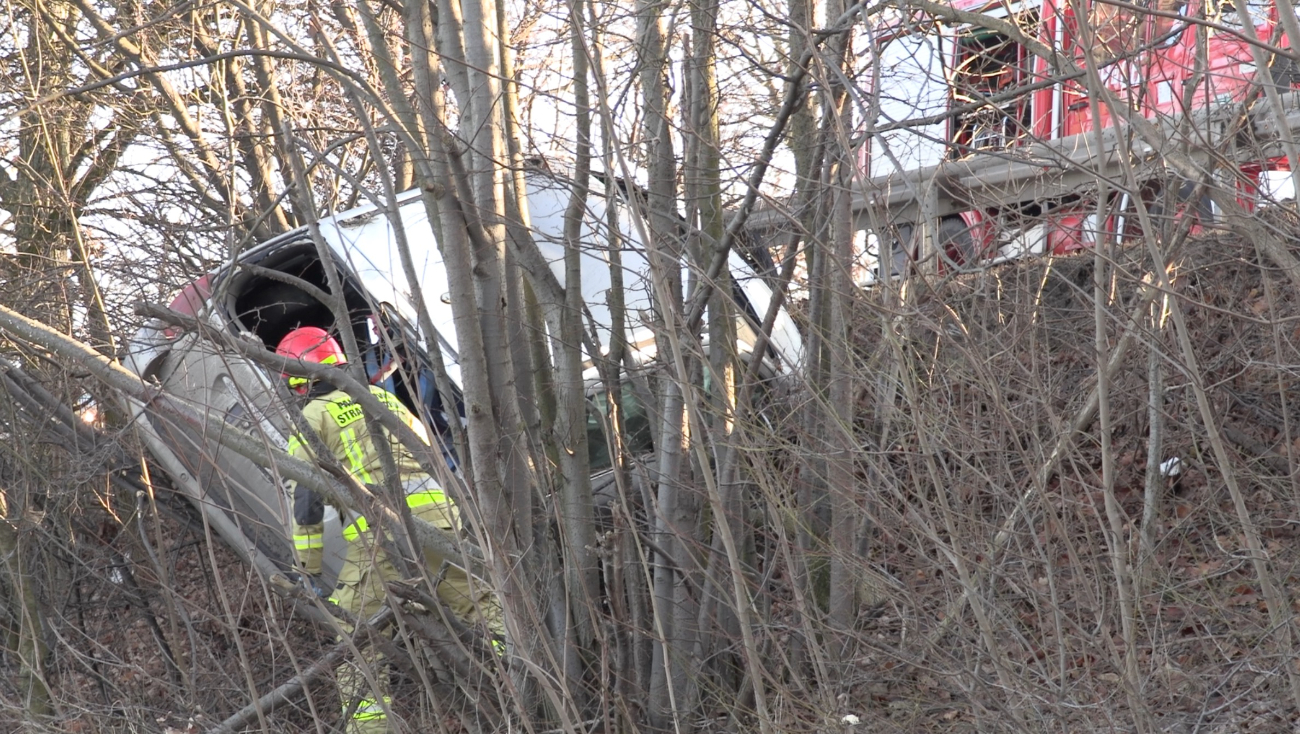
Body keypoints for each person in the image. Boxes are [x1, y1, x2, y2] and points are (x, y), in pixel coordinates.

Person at [276, 326, 501, 733]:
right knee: (480, 605)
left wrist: (306, 568)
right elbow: (430, 454)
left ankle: (370, 728)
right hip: (439, 521)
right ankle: (529, 682)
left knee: (356, 636)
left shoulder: (312, 417)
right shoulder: (380, 397)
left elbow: (306, 500)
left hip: (381, 532)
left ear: (297, 378)